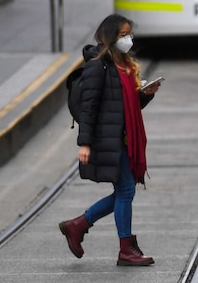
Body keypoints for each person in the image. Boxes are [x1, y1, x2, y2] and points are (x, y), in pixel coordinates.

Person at [58, 14, 160, 266]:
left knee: (123, 191)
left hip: (123, 138)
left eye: (129, 34)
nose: (128, 39)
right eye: (123, 34)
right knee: (125, 191)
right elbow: (89, 108)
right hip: (107, 139)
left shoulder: (124, 65)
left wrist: (145, 95)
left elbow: (124, 106)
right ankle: (125, 248)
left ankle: (78, 225)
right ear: (110, 37)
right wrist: (84, 143)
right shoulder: (97, 66)